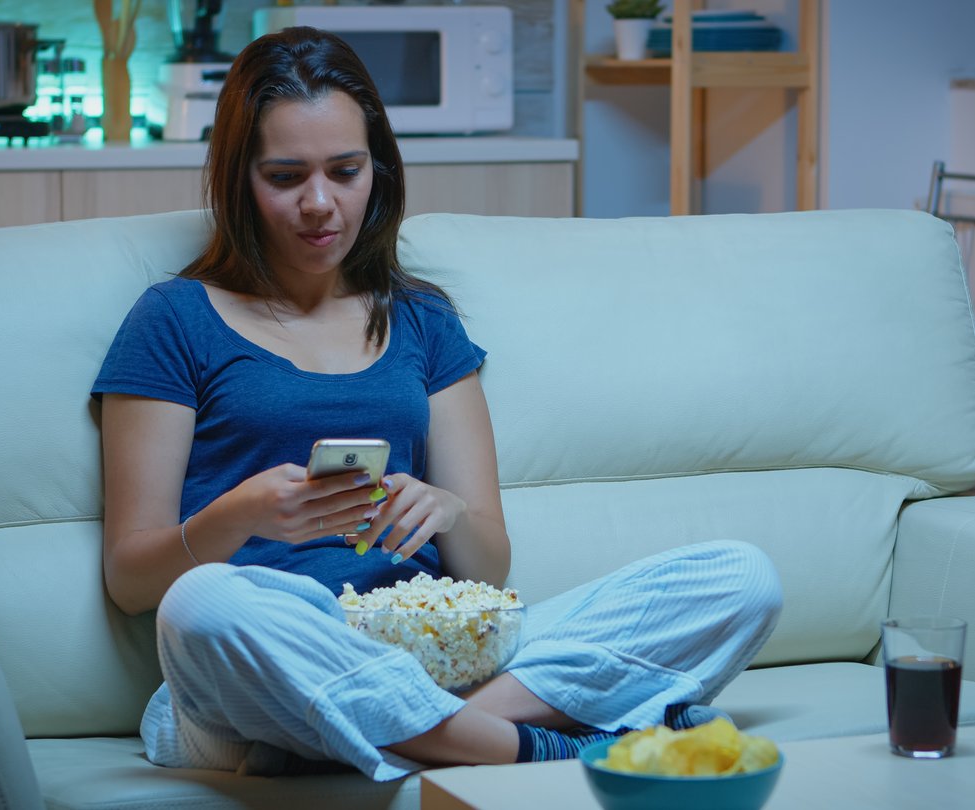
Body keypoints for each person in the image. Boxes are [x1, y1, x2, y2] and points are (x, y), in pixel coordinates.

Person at [92, 27, 783, 781]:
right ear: (238, 179)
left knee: (741, 579)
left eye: (345, 171)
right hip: (268, 654)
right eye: (285, 176)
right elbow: (132, 580)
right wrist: (241, 515)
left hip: (432, 653)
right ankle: (537, 744)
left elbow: (489, 563)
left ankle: (359, 740)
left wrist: (448, 512)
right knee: (204, 607)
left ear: (377, 171)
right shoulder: (173, 319)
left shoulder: (423, 319)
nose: (320, 204)